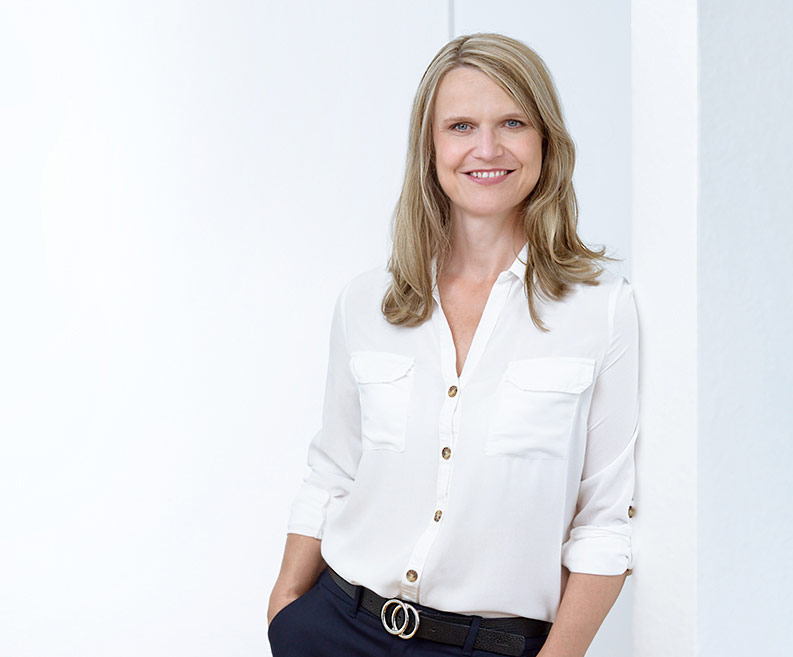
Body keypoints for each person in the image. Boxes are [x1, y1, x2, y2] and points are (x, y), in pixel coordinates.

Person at [267, 32, 639, 657]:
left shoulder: (603, 309)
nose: (486, 149)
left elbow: (606, 521)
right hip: (335, 626)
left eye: (513, 122)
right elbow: (331, 470)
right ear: (430, 146)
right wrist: (284, 609)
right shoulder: (368, 302)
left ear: (546, 141)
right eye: (461, 125)